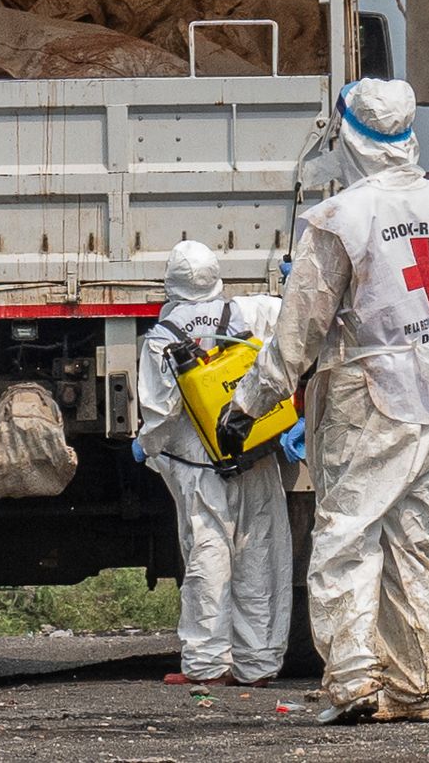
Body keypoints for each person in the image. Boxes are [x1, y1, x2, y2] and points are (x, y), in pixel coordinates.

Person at [217, 78, 429, 726]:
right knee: (413, 545)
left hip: (370, 396)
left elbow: (299, 331)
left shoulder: (341, 218)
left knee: (347, 538)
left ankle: (353, 683)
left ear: (348, 137)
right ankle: (415, 688)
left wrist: (247, 405)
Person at [133, 240, 292, 689]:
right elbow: (299, 322)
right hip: (251, 451)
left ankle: (207, 664)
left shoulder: (164, 338)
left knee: (208, 554)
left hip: (198, 464)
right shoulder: (248, 312)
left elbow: (161, 413)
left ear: (170, 284)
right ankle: (257, 664)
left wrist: (147, 447)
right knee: (258, 552)